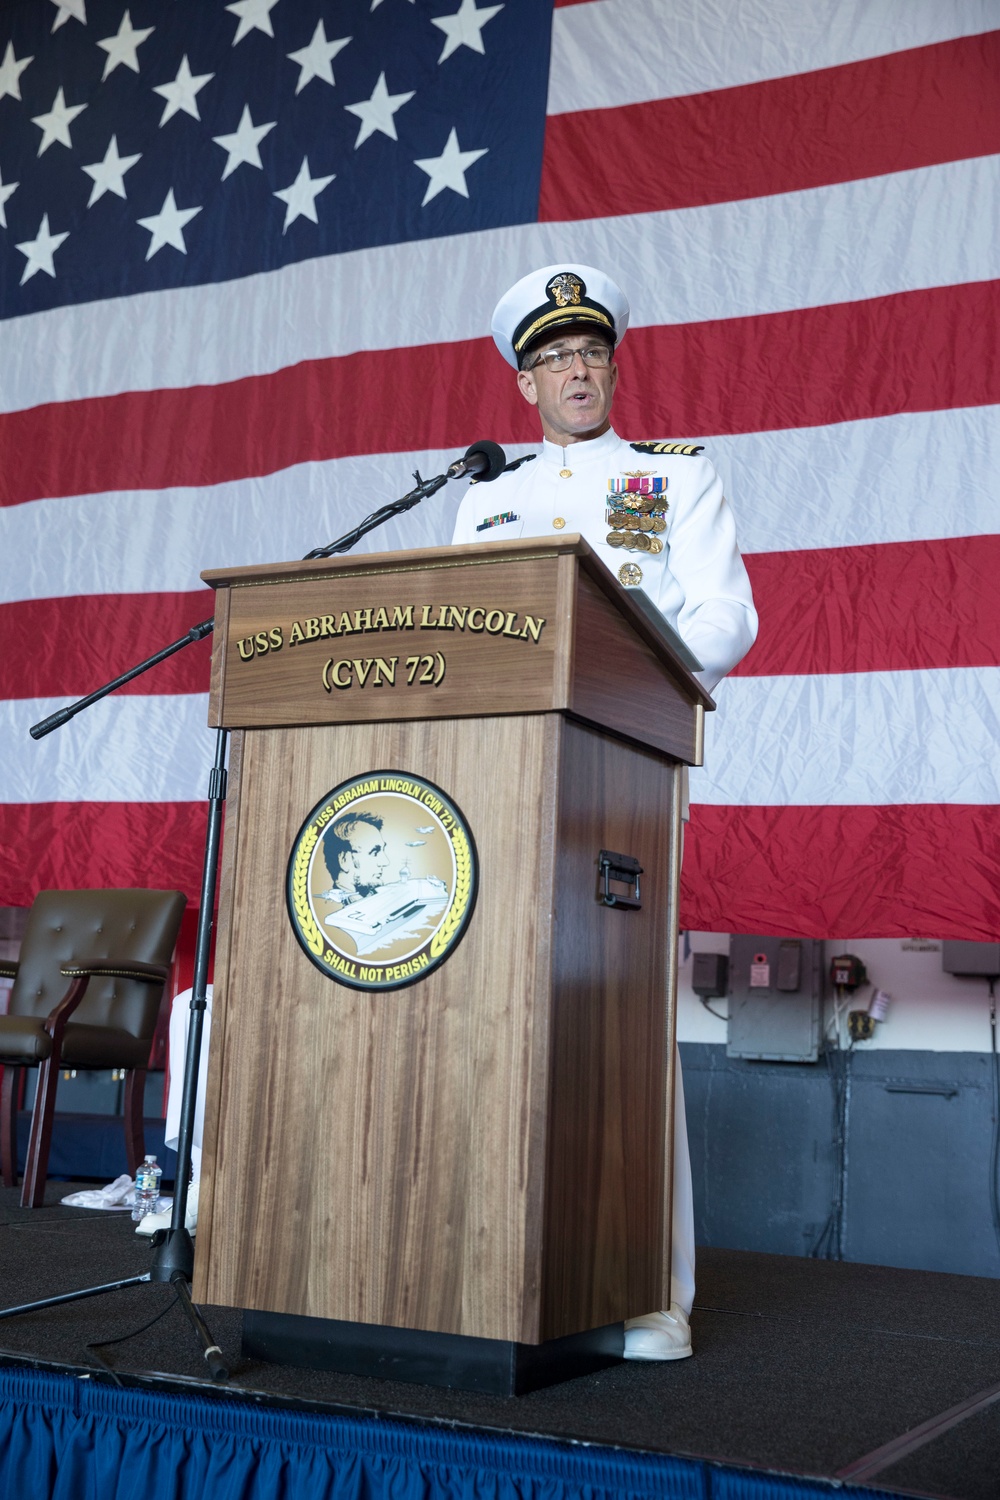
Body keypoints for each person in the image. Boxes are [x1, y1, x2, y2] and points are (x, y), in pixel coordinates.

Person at [452, 264, 758, 1360]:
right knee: (490, 1016)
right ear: (526, 382)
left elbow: (725, 615)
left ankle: (646, 1289)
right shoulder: (485, 500)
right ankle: (491, 1266)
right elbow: (452, 647)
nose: (576, 371)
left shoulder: (673, 479)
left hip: (622, 769)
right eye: (553, 358)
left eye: (591, 353)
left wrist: (622, 672)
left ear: (613, 366)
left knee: (620, 1028)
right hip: (499, 784)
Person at [319, 812, 390, 904]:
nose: (386, 862)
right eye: (374, 852)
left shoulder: (367, 901)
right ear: (344, 860)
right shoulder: (338, 909)